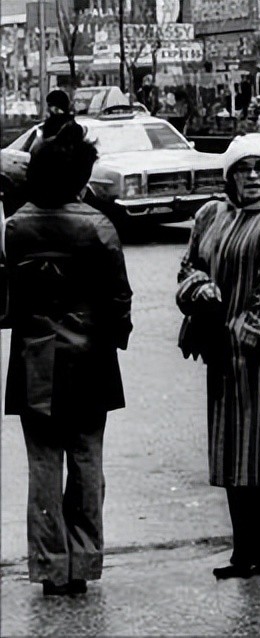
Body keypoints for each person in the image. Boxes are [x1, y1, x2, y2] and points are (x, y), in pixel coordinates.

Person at [3, 131, 133, 596]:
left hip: (34, 358)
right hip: (90, 359)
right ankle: (82, 564)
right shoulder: (98, 226)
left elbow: (12, 302)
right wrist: (116, 334)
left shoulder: (17, 226)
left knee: (43, 467)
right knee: (86, 463)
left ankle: (50, 567)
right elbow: (119, 299)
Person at [176, 134, 260, 580]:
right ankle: (248, 546)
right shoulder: (213, 214)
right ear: (229, 174)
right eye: (243, 168)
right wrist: (201, 290)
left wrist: (237, 338)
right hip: (220, 351)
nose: (252, 176)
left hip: (257, 354)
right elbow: (189, 266)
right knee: (233, 451)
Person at [29, 90, 83, 155]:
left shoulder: (50, 126)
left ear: (56, 107)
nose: (48, 109)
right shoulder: (77, 128)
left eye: (50, 105)